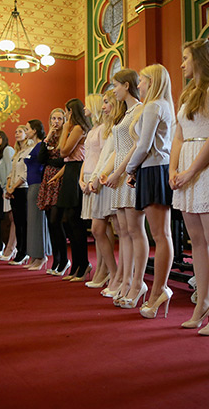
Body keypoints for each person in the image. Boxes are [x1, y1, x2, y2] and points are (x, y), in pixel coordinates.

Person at [170, 40, 209, 335]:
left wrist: (191, 170)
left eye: (185, 58)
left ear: (200, 59)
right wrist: (173, 170)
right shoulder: (187, 94)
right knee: (196, 241)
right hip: (185, 167)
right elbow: (178, 137)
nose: (182, 64)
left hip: (208, 166)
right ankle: (204, 301)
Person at [123, 64, 175, 319]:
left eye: (142, 80)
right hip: (154, 168)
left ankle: (158, 291)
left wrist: (129, 169)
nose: (139, 84)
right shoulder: (163, 104)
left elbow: (144, 145)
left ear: (151, 82)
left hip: (154, 169)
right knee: (160, 234)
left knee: (160, 235)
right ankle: (157, 290)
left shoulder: (154, 106)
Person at [103, 69, 144, 308]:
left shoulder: (139, 109)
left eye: (116, 85)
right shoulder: (126, 112)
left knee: (134, 230)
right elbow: (118, 150)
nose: (114, 89)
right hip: (118, 175)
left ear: (127, 86)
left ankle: (136, 282)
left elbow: (136, 147)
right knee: (123, 232)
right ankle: (125, 280)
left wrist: (119, 173)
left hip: (129, 175)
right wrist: (109, 172)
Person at [88, 89, 123, 295]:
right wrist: (95, 177)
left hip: (111, 180)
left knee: (120, 231)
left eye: (107, 102)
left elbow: (116, 155)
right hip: (102, 177)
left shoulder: (118, 126)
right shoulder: (108, 127)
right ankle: (113, 271)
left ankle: (120, 276)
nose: (103, 107)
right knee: (97, 229)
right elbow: (102, 157)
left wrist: (102, 175)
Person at [57, 98, 92, 281]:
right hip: (70, 171)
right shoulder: (74, 128)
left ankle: (83, 264)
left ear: (72, 112)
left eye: (66, 112)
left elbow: (63, 151)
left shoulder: (78, 128)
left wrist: (64, 129)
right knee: (68, 220)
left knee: (74, 221)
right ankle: (77, 263)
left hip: (76, 170)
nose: (65, 116)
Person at [79, 94, 111, 287]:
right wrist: (80, 179)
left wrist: (92, 179)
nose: (84, 109)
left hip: (96, 178)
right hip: (88, 176)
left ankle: (105, 269)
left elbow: (102, 157)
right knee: (96, 228)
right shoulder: (92, 129)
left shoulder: (103, 129)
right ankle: (101, 268)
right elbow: (86, 157)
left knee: (101, 227)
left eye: (87, 105)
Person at [37, 108, 68, 275]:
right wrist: (47, 138)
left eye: (59, 119)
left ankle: (64, 259)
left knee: (57, 221)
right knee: (50, 222)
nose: (56, 122)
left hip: (60, 179)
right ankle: (56, 260)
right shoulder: (49, 139)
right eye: (53, 119)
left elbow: (62, 161)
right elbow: (41, 159)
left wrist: (52, 161)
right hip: (47, 181)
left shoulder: (66, 136)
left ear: (64, 120)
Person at [23, 119, 50, 271]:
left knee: (38, 221)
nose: (26, 132)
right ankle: (34, 255)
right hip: (31, 185)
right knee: (32, 222)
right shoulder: (31, 146)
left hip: (38, 185)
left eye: (27, 129)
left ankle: (41, 256)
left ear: (34, 130)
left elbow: (42, 165)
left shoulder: (41, 145)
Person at [6, 125, 32, 265]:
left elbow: (25, 173)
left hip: (23, 188)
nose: (17, 133)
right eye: (15, 131)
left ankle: (25, 251)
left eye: (20, 131)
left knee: (24, 223)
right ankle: (19, 250)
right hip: (14, 189)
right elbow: (12, 172)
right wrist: (9, 187)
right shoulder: (17, 153)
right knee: (17, 222)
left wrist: (14, 187)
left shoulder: (30, 150)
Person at [0, 131, 16, 260]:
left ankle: (11, 247)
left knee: (13, 219)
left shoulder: (8, 150)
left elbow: (10, 170)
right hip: (4, 188)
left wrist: (8, 188)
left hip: (9, 188)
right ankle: (11, 247)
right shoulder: (0, 153)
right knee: (9, 219)